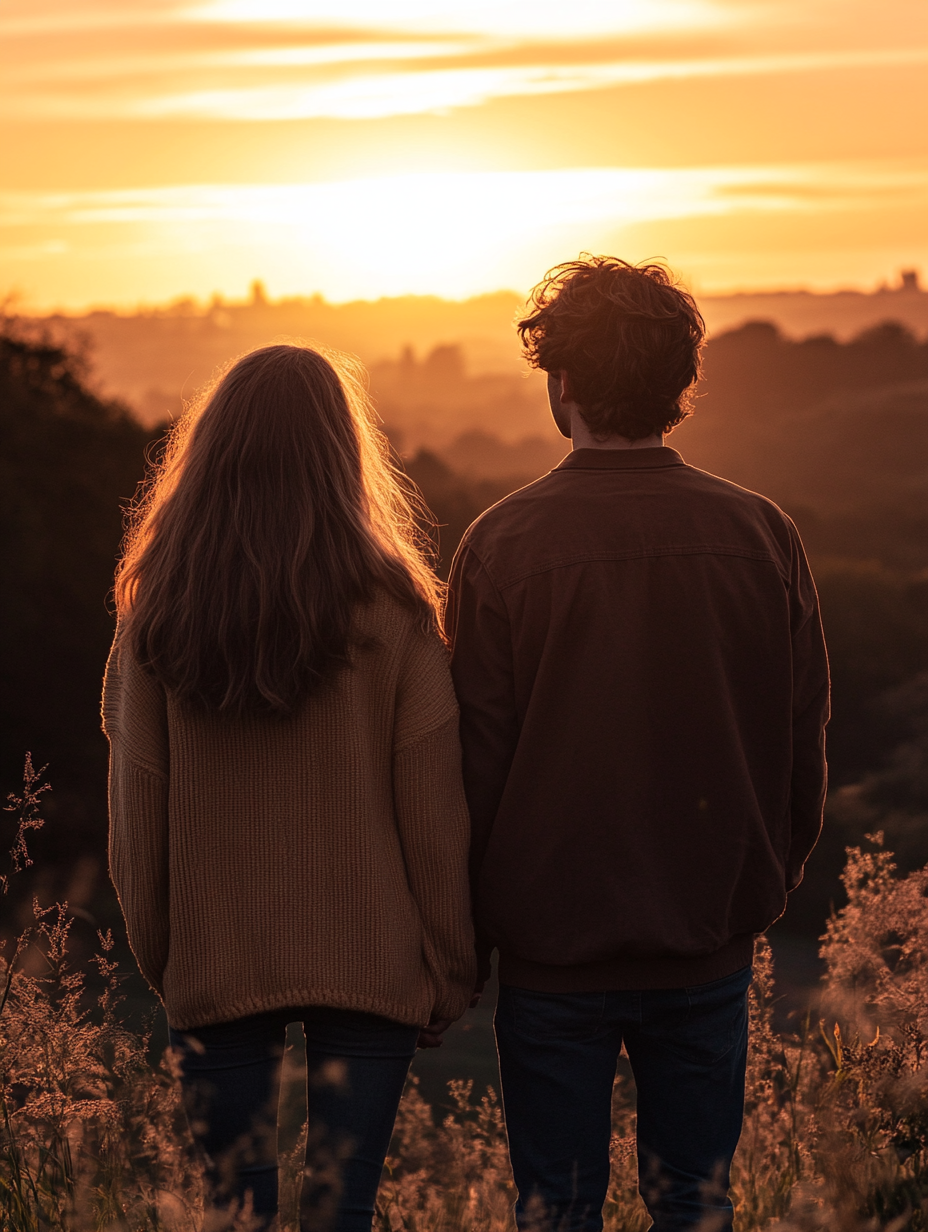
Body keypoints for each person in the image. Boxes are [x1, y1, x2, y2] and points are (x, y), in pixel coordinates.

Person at [446, 256, 830, 1232]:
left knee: (556, 1208)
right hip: (707, 938)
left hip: (549, 946)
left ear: (561, 379)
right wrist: (758, 885)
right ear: (678, 382)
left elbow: (473, 765)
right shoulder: (762, 534)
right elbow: (801, 737)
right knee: (697, 1207)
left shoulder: (501, 543)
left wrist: (475, 922)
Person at [102, 343, 476, 1231]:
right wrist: (449, 972)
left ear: (212, 453)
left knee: (234, 1216)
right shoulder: (398, 613)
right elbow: (436, 817)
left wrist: (170, 959)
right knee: (340, 1213)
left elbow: (135, 818)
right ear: (344, 455)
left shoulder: (156, 614)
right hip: (373, 961)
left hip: (216, 957)